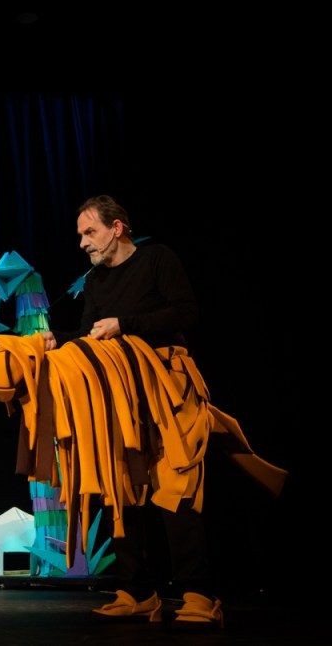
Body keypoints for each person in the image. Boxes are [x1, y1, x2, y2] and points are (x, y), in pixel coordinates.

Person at [41, 195, 224, 628]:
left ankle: (199, 595)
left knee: (175, 488)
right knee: (122, 488)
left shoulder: (156, 259)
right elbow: (89, 335)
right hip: (122, 394)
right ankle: (137, 593)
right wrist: (59, 340)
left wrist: (125, 324)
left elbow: (186, 312)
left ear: (117, 227)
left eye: (90, 232)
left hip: (168, 388)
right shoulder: (96, 280)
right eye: (80, 235)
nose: (83, 243)